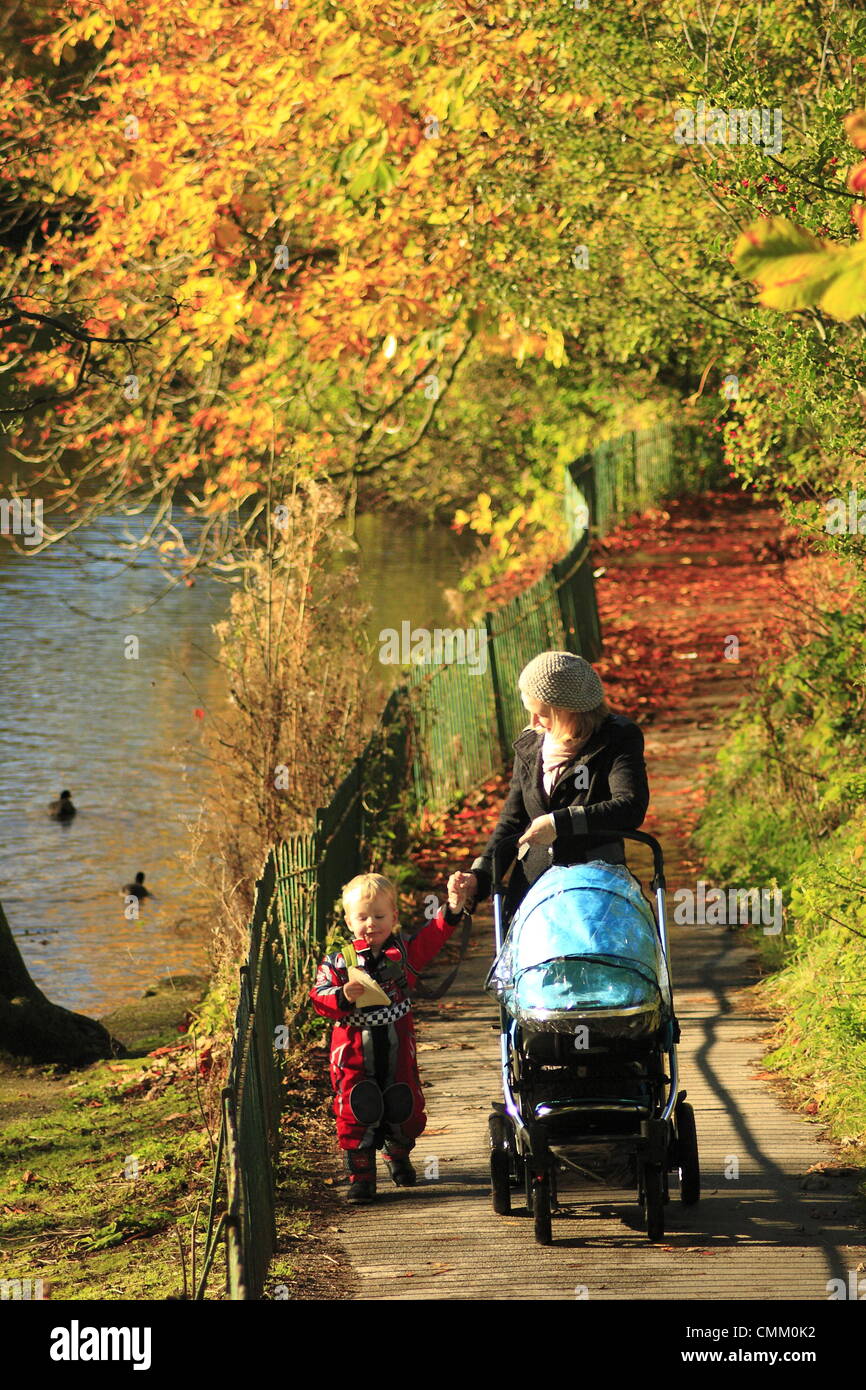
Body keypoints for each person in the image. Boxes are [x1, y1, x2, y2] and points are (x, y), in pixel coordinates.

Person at [450, 650, 649, 921]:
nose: (532, 723)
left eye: (541, 714)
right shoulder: (531, 744)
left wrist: (558, 824)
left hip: (595, 889)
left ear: (567, 712)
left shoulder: (617, 739)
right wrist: (481, 875)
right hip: (534, 893)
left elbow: (629, 807)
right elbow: (513, 820)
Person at [310, 870, 470, 1205]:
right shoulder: (338, 961)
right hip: (354, 1051)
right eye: (363, 917)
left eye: (380, 916)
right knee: (359, 1107)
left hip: (397, 1048)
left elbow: (432, 937)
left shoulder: (403, 953)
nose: (371, 924)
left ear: (394, 918)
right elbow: (318, 997)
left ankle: (397, 1154)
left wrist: (453, 907)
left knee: (402, 1104)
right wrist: (341, 994)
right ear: (348, 920)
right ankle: (361, 1178)